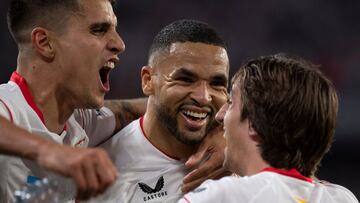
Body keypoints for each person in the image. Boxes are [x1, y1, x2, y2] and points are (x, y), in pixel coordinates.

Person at [0, 1, 227, 202]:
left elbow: (157, 106)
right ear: (45, 43)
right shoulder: (10, 105)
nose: (119, 43)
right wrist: (47, 152)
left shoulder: (77, 120)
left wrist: (221, 125)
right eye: (98, 30)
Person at [179, 54, 359, 203]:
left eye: (232, 103)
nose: (220, 116)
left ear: (254, 123)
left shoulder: (224, 195)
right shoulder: (342, 198)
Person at [89, 19, 230, 202]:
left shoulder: (243, 153)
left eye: (217, 84)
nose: (204, 97)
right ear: (148, 81)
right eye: (186, 80)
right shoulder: (103, 178)